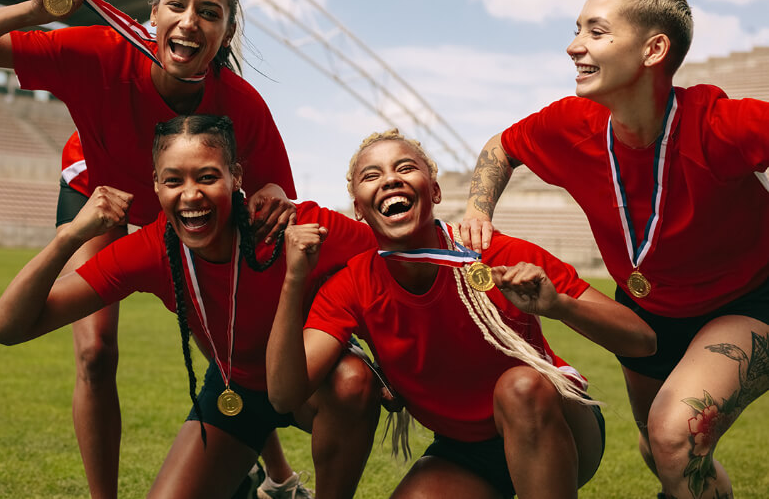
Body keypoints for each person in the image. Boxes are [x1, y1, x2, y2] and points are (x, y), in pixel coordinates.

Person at [0, 0, 300, 498]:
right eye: (176, 5)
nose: (189, 21)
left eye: (208, 12)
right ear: (154, 12)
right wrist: (32, 12)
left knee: (228, 341)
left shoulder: (242, 105)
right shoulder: (101, 52)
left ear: (226, 33)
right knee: (95, 353)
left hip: (182, 210)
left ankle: (278, 478)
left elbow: (279, 196)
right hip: (100, 197)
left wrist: (275, 197)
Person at [460, 0, 769, 499]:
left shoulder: (720, 123)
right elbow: (502, 146)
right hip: (646, 309)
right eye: (577, 29)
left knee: (674, 436)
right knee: (657, 446)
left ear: (653, 50)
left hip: (745, 301)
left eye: (596, 31)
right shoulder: (569, 123)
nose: (573, 45)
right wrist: (477, 207)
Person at [0, 114, 381, 499]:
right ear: (155, 184)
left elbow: (395, 260)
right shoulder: (151, 249)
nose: (191, 195)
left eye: (207, 177)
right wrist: (69, 238)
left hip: (310, 386)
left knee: (352, 381)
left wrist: (391, 366)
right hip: (236, 394)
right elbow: (6, 328)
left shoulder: (291, 225)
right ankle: (242, 482)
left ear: (236, 177)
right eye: (173, 180)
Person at [266, 129, 656, 498]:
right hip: (466, 450)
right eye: (372, 175)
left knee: (519, 387)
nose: (390, 179)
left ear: (434, 191)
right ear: (358, 208)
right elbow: (284, 396)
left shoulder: (496, 253)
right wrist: (294, 280)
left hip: (553, 419)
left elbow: (642, 340)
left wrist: (559, 305)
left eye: (405, 168)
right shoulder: (353, 284)